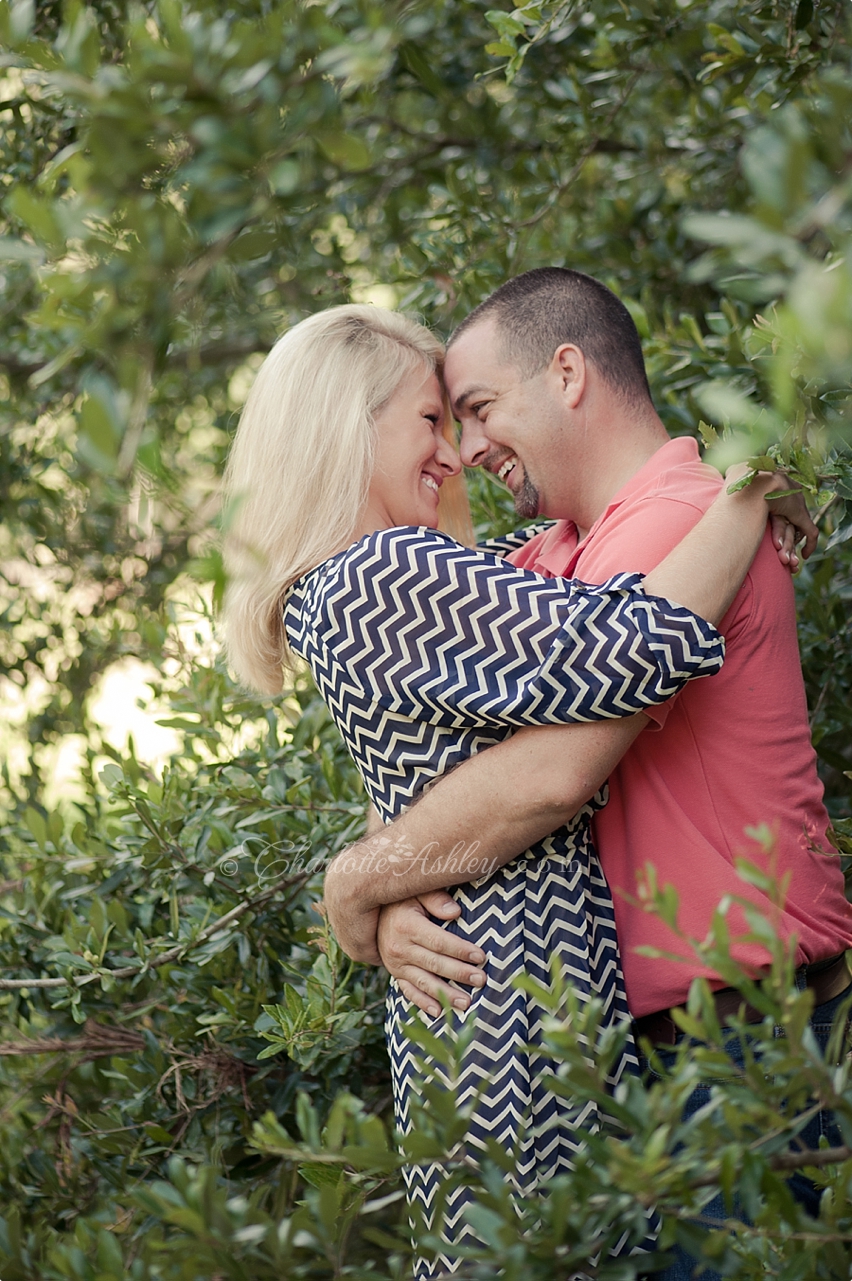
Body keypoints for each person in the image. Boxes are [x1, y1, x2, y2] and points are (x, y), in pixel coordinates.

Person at [221, 302, 811, 1280]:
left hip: (490, 1008)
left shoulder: (380, 581)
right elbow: (622, 649)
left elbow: (420, 777)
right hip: (515, 1014)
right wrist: (744, 494)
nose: (453, 451)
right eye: (429, 421)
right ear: (344, 426)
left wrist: (360, 884)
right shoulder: (384, 575)